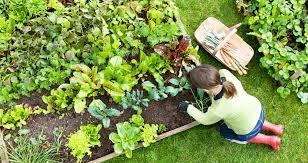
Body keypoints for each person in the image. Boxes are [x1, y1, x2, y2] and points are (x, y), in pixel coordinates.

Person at [178, 64, 284, 151]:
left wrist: (188, 107)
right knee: (250, 117)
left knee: (224, 132)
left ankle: (270, 140)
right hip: (257, 109)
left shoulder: (218, 109)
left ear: (205, 90)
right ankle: (275, 128)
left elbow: (205, 120)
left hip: (247, 129)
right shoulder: (225, 74)